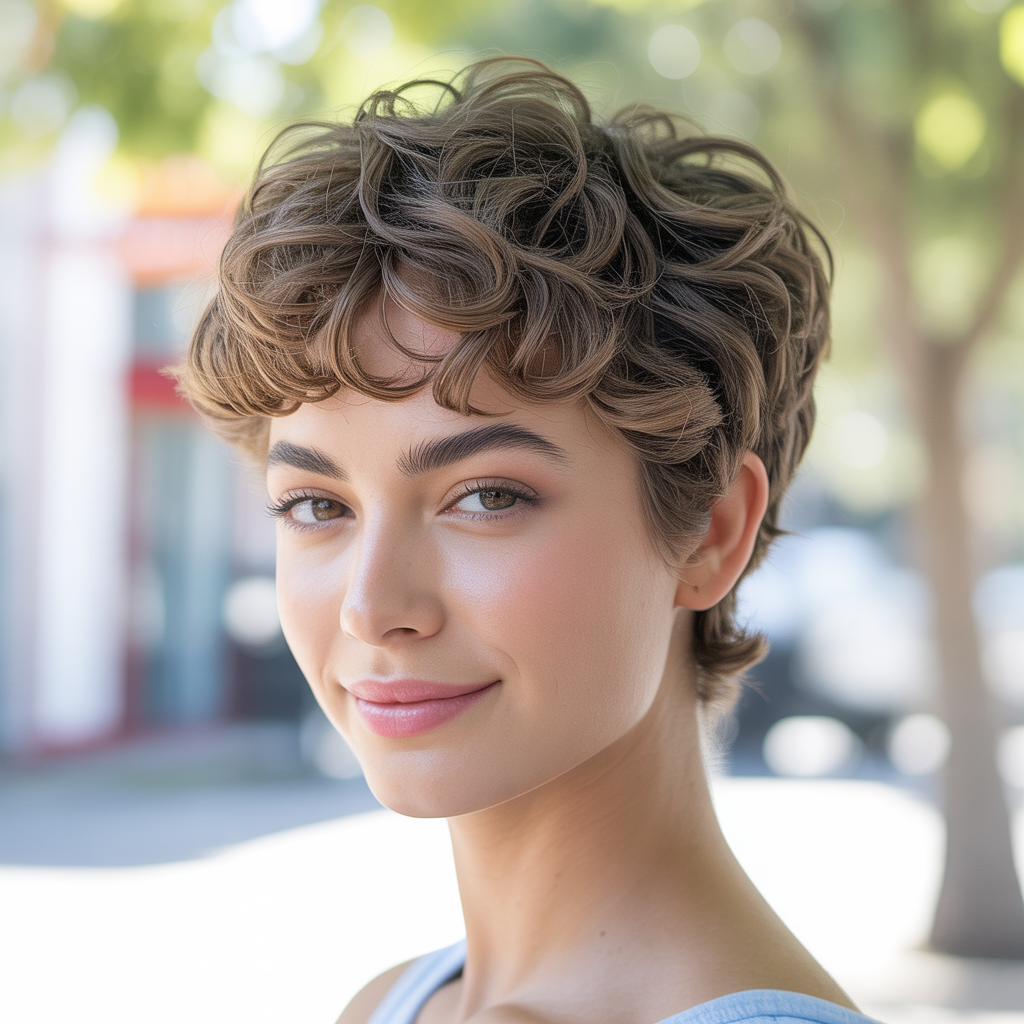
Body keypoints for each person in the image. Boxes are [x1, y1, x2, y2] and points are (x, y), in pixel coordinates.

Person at [179, 57, 877, 1024]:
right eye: (316, 505)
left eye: (487, 496)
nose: (372, 607)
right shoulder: (391, 1004)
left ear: (711, 533)